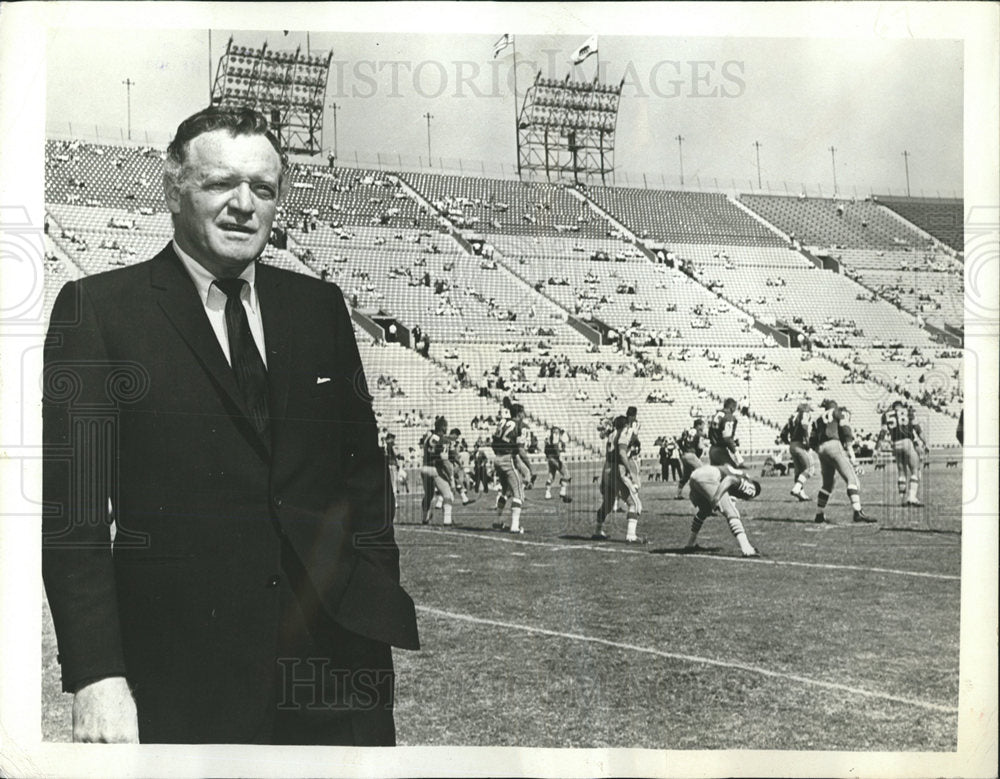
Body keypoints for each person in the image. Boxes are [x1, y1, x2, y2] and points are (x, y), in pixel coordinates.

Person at [42, 107, 418, 745]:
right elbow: (72, 514)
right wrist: (96, 674)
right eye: (221, 183)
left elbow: (361, 473)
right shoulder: (100, 311)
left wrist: (371, 591)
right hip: (185, 671)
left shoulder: (318, 307)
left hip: (335, 666)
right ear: (173, 188)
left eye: (263, 189)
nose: (244, 204)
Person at [809, 399, 876, 524]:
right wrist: (851, 453)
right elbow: (845, 430)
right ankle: (857, 512)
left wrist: (820, 450)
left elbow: (811, 441)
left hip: (821, 449)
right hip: (834, 446)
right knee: (852, 479)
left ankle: (819, 514)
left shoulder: (817, 420)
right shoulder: (837, 412)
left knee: (827, 484)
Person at [683, 464, 762, 558]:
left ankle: (690, 544)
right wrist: (717, 497)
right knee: (732, 513)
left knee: (705, 510)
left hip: (695, 475)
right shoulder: (751, 487)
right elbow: (730, 479)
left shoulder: (737, 474)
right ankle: (747, 549)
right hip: (709, 477)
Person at [593, 415, 643, 544]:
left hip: (607, 469)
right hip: (616, 470)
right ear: (625, 425)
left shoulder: (612, 434)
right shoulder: (623, 433)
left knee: (608, 504)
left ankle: (597, 531)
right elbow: (621, 453)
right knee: (634, 504)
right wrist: (630, 471)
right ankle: (631, 535)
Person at [875, 400, 927, 507]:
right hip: (907, 442)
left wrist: (877, 448)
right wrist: (925, 441)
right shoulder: (908, 411)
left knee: (901, 472)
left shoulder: (886, 415)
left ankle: (902, 499)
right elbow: (917, 428)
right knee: (915, 470)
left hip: (895, 444)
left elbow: (883, 432)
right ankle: (912, 497)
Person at [491, 402, 528, 534]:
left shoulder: (502, 422)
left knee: (506, 491)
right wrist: (527, 466)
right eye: (523, 412)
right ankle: (515, 526)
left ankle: (497, 521)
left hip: (497, 459)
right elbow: (520, 449)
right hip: (508, 459)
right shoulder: (519, 425)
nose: (524, 415)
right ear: (519, 414)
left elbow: (493, 442)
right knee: (518, 493)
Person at [420, 416, 454, 526]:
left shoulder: (428, 437)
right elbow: (444, 460)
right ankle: (447, 521)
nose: (447, 428)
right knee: (447, 494)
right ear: (443, 427)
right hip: (435, 469)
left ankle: (424, 518)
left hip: (424, 468)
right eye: (446, 426)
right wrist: (451, 476)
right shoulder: (444, 440)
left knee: (428, 495)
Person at [780, 402, 816, 502]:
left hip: (792, 445)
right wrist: (807, 442)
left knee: (799, 471)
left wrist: (789, 442)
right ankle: (796, 489)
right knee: (810, 468)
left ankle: (801, 494)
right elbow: (804, 426)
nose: (809, 411)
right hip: (800, 444)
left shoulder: (791, 417)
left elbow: (783, 434)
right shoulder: (804, 414)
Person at [675, 419, 707, 499]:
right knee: (702, 472)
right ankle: (703, 493)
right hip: (691, 455)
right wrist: (697, 456)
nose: (703, 427)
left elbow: (678, 441)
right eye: (702, 425)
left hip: (684, 455)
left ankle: (678, 494)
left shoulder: (686, 431)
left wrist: (683, 450)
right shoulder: (699, 434)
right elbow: (700, 448)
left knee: (686, 476)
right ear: (698, 425)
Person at [708, 397, 744, 467]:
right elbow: (727, 438)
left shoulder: (716, 415)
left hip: (712, 449)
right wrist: (737, 455)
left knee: (717, 475)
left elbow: (711, 433)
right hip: (720, 450)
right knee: (732, 471)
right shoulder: (728, 417)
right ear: (732, 407)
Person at [543, 426, 572, 502]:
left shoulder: (548, 438)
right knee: (566, 474)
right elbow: (556, 447)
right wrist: (558, 457)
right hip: (555, 458)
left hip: (549, 458)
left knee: (551, 477)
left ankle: (547, 493)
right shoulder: (555, 436)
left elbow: (545, 450)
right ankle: (562, 491)